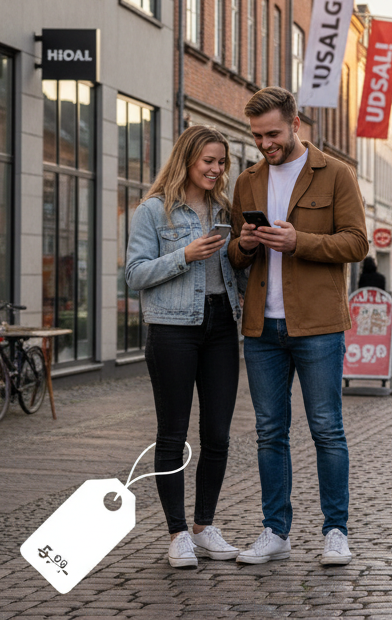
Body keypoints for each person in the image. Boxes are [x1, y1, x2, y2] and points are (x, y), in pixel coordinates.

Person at [227, 88, 369, 567]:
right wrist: (245, 243)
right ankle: (276, 531)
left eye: (273, 134)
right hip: (261, 327)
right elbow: (233, 252)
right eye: (257, 136)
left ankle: (336, 531)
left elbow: (356, 243)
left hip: (319, 325)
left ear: (295, 125)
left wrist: (298, 241)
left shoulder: (336, 174)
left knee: (327, 430)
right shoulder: (247, 181)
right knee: (270, 433)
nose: (265, 143)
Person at [125, 126, 245, 569]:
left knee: (217, 435)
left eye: (221, 162)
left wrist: (246, 250)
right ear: (187, 160)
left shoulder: (226, 211)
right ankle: (176, 533)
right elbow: (135, 274)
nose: (215, 169)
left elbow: (237, 271)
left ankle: (204, 526)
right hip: (172, 328)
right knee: (172, 434)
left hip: (220, 326)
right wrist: (185, 256)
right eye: (208, 161)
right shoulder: (154, 211)